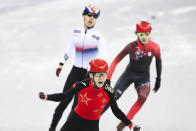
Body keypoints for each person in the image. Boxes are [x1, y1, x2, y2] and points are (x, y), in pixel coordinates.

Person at [49, 4, 108, 131]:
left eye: (95, 16)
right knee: (63, 101)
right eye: (89, 15)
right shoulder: (76, 32)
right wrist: (61, 63)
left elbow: (103, 60)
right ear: (83, 15)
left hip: (87, 75)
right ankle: (52, 128)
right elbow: (70, 48)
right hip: (75, 71)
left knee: (76, 108)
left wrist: (104, 80)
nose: (91, 18)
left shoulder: (99, 38)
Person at [39, 59, 140, 131]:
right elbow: (64, 96)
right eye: (98, 75)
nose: (101, 78)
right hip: (74, 120)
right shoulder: (82, 85)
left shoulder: (109, 91)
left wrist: (130, 124)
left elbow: (116, 111)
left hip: (92, 125)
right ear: (91, 75)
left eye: (104, 75)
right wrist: (47, 96)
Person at [102, 21, 162, 131]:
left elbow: (158, 62)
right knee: (114, 96)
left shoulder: (155, 47)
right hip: (129, 74)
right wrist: (108, 79)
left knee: (143, 97)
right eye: (141, 35)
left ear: (150, 33)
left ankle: (124, 123)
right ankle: (94, 118)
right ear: (137, 34)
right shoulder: (131, 47)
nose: (144, 37)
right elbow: (116, 61)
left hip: (143, 77)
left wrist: (158, 79)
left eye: (146, 34)